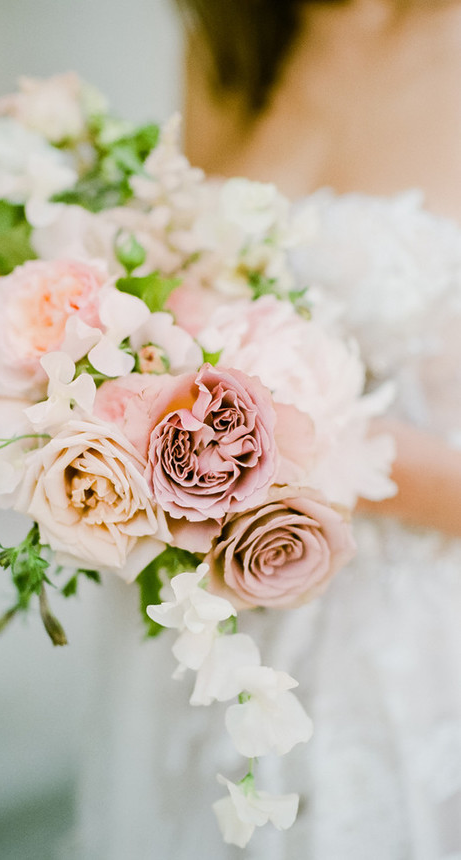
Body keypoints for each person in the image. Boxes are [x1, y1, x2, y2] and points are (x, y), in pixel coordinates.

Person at [69, 2, 461, 857]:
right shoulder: (234, 41)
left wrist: (297, 448)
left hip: (423, 648)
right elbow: (175, 294)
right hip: (215, 638)